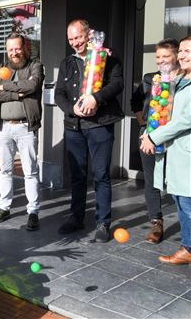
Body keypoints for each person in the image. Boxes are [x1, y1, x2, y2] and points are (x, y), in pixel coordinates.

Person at [54, 19, 124, 242]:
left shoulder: (108, 58)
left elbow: (117, 84)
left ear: (88, 34)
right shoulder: (67, 63)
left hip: (100, 125)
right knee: (77, 175)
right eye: (71, 39)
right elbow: (59, 94)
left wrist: (96, 98)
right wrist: (71, 108)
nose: (75, 43)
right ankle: (76, 217)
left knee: (101, 175)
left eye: (78, 37)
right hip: (74, 127)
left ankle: (103, 222)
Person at [140, 36, 191, 265]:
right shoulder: (177, 79)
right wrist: (149, 132)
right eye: (181, 50)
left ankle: (188, 248)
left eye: (187, 51)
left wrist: (154, 136)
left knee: (187, 202)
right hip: (171, 147)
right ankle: (188, 247)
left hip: (183, 149)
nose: (182, 55)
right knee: (180, 199)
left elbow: (184, 120)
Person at [0, 33, 44, 231]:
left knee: (30, 172)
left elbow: (33, 84)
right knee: (5, 170)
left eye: (17, 48)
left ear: (24, 47)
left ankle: (33, 212)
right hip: (4, 128)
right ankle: (4, 207)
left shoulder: (35, 65)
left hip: (25, 127)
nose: (14, 53)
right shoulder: (0, 68)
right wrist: (15, 93)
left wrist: (5, 86)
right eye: (10, 49)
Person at [130, 38, 179, 243]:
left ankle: (186, 222)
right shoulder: (151, 78)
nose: (161, 60)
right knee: (151, 181)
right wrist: (143, 122)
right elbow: (136, 100)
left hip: (176, 139)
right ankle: (156, 222)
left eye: (166, 56)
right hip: (149, 138)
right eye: (158, 56)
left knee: (177, 181)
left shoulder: (185, 80)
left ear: (177, 56)